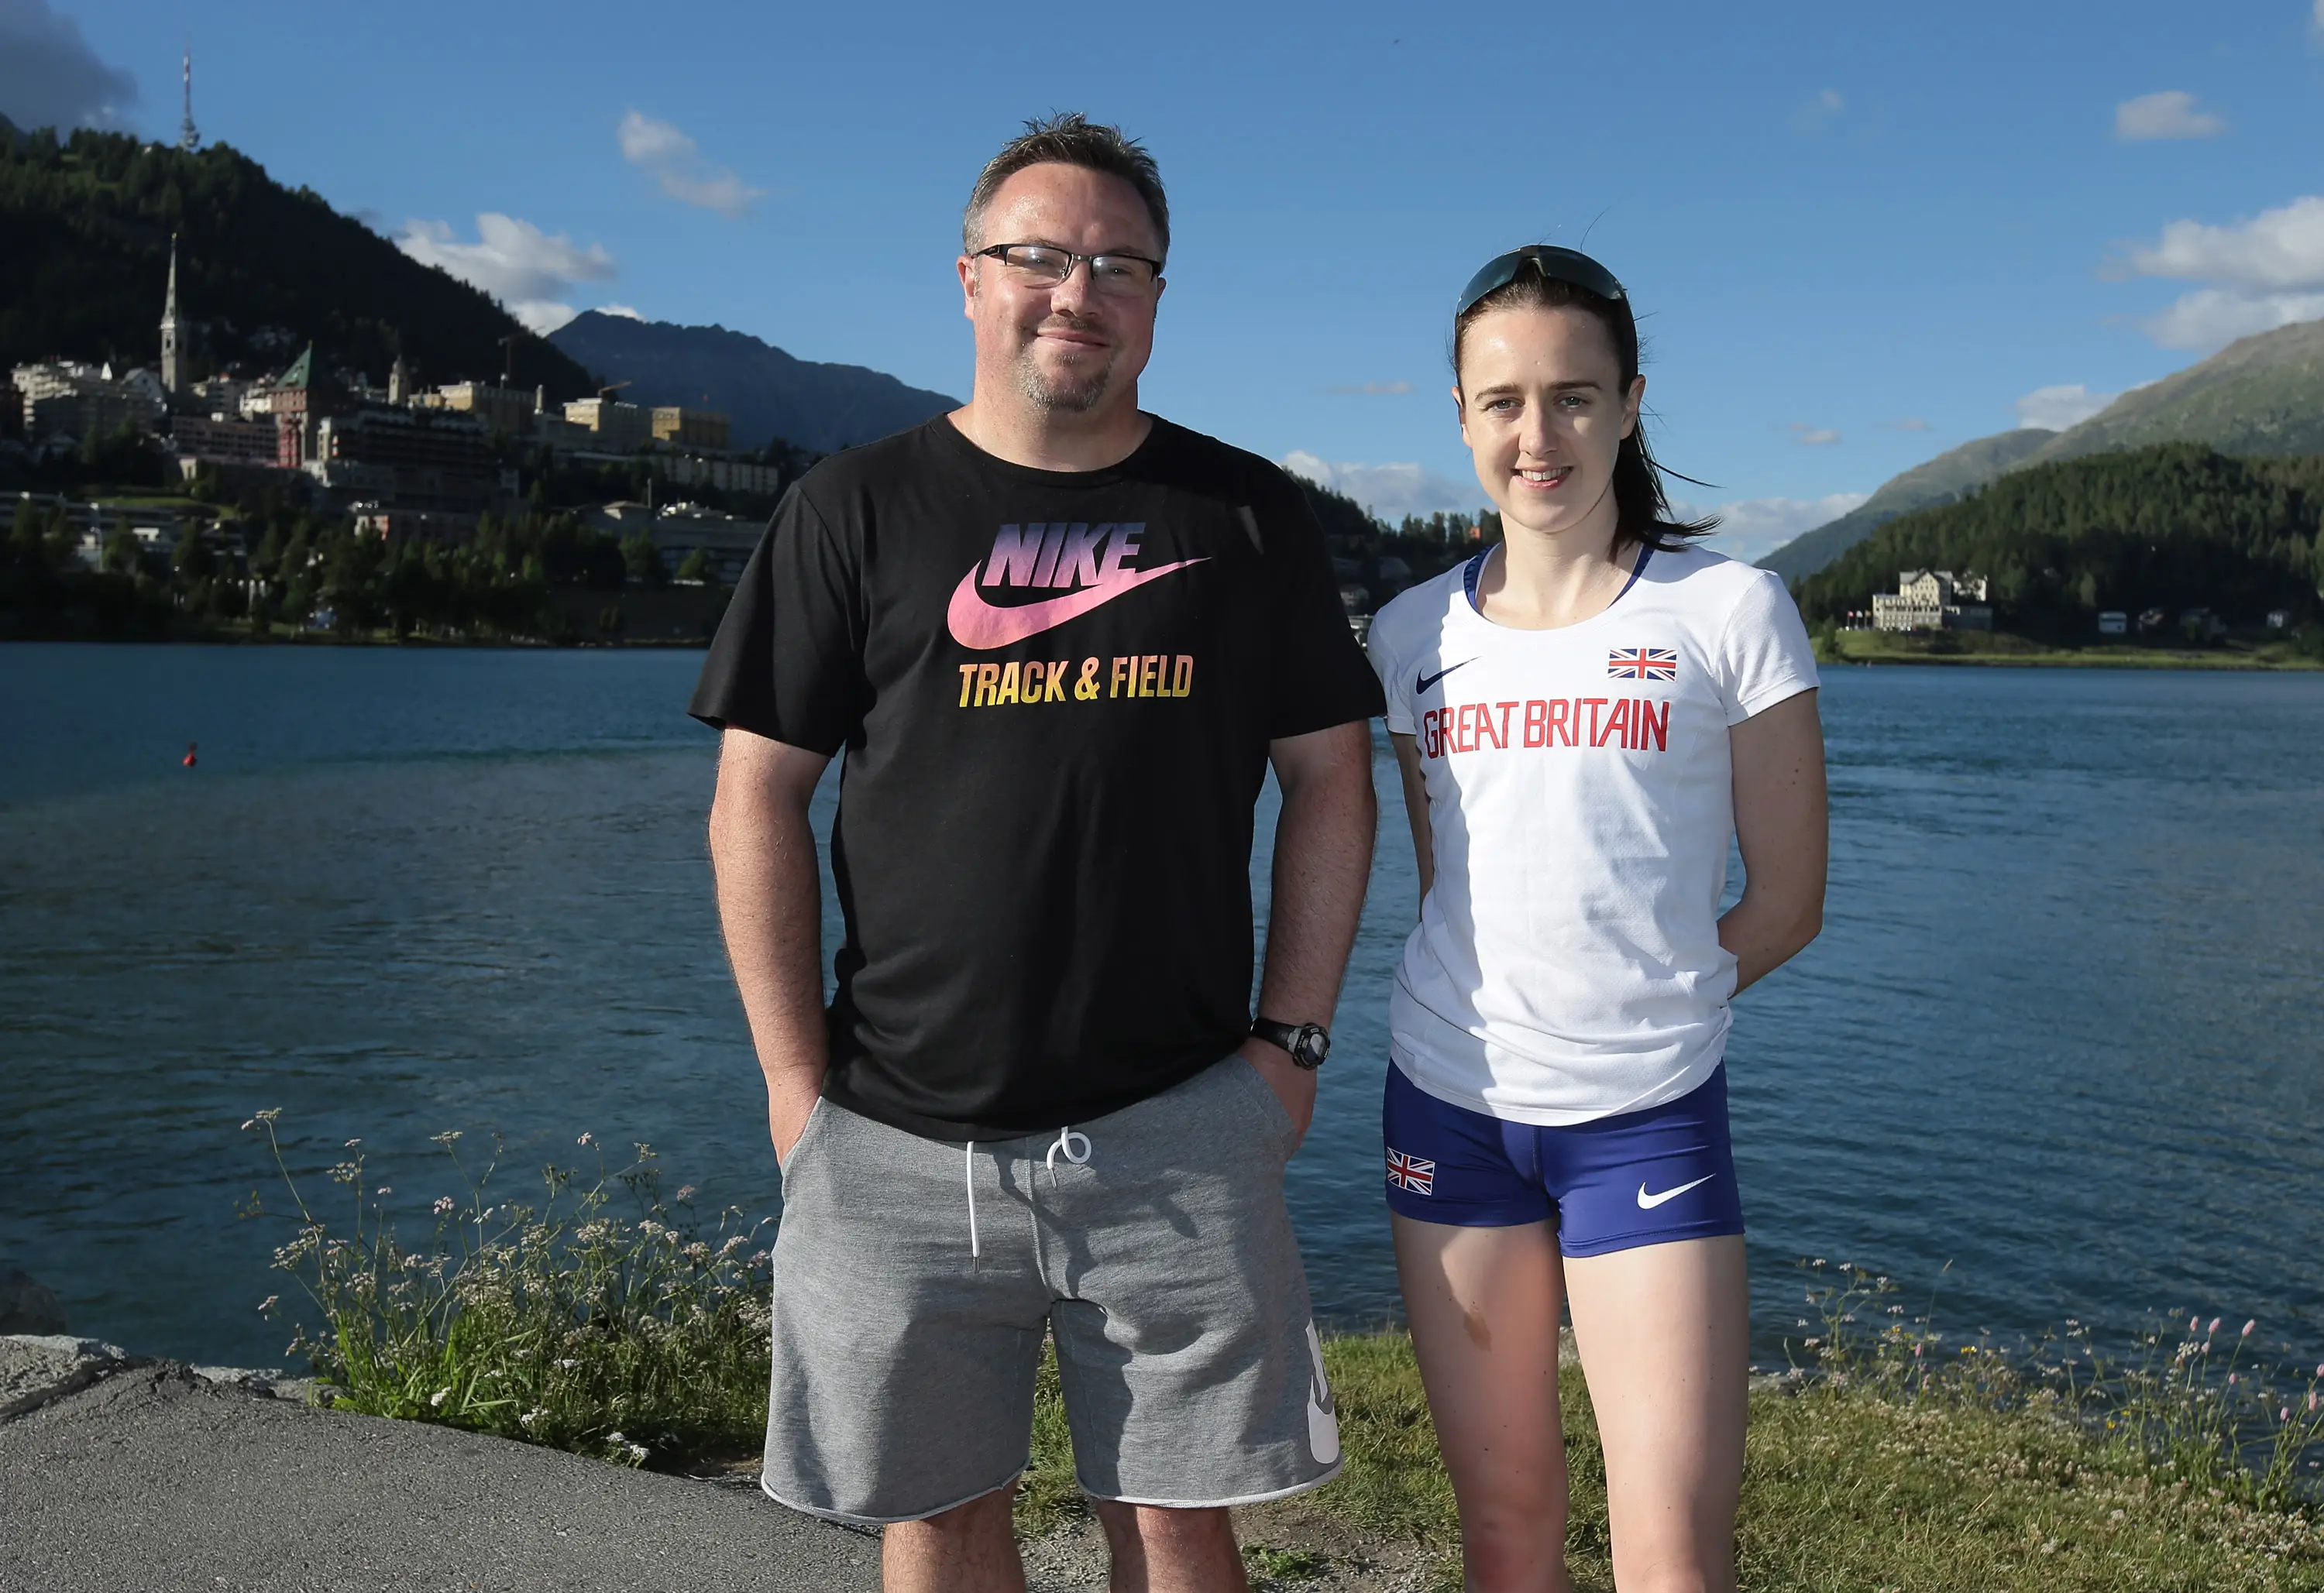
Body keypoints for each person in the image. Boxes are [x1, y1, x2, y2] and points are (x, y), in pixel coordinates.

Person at [691, 114, 1384, 1593]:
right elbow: (756, 798)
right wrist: (793, 1085)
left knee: (1180, 1522)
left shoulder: (1245, 515)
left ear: (1158, 300)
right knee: (938, 1518)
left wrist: (1290, 1049)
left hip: (1180, 1125)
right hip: (892, 1134)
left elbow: (1332, 778)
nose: (1080, 292)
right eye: (1041, 257)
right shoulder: (851, 511)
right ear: (970, 279)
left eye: (1121, 265)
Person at [1365, 246, 1828, 1593]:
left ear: (1629, 405)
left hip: (1646, 1118)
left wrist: (1645, 998)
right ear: (1461, 417)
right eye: (1503, 402)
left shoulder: (1728, 610)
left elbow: (1788, 905)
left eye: (1573, 397)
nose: (1539, 435)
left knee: (1672, 1557)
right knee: (1505, 1538)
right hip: (1447, 1107)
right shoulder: (1408, 635)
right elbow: (1450, 888)